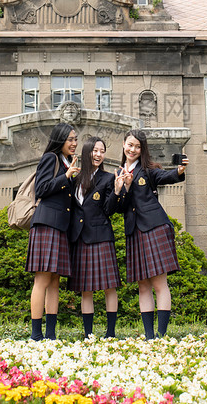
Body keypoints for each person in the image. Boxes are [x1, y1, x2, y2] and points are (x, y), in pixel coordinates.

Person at [118, 129, 188, 339]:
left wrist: (180, 170)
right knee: (143, 285)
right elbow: (119, 205)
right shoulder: (119, 174)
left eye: (137, 147)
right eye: (130, 145)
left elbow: (167, 175)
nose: (133, 149)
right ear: (124, 145)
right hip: (134, 231)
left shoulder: (148, 170)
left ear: (142, 150)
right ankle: (149, 336)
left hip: (155, 228)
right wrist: (123, 188)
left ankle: (162, 334)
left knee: (159, 283)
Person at [67, 137, 125, 338]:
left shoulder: (108, 178)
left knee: (109, 286)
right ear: (87, 152)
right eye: (95, 150)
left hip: (101, 236)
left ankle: (110, 333)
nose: (99, 155)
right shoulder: (75, 178)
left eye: (102, 151)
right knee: (86, 289)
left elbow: (109, 209)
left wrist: (117, 191)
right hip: (81, 238)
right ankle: (88, 334)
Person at [26, 123, 79, 341]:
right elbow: (42, 189)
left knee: (55, 281)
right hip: (46, 223)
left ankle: (51, 334)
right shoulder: (51, 158)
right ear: (60, 140)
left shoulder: (69, 163)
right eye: (70, 140)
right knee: (42, 279)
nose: (74, 143)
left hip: (61, 227)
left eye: (75, 139)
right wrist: (66, 176)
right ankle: (36, 334)